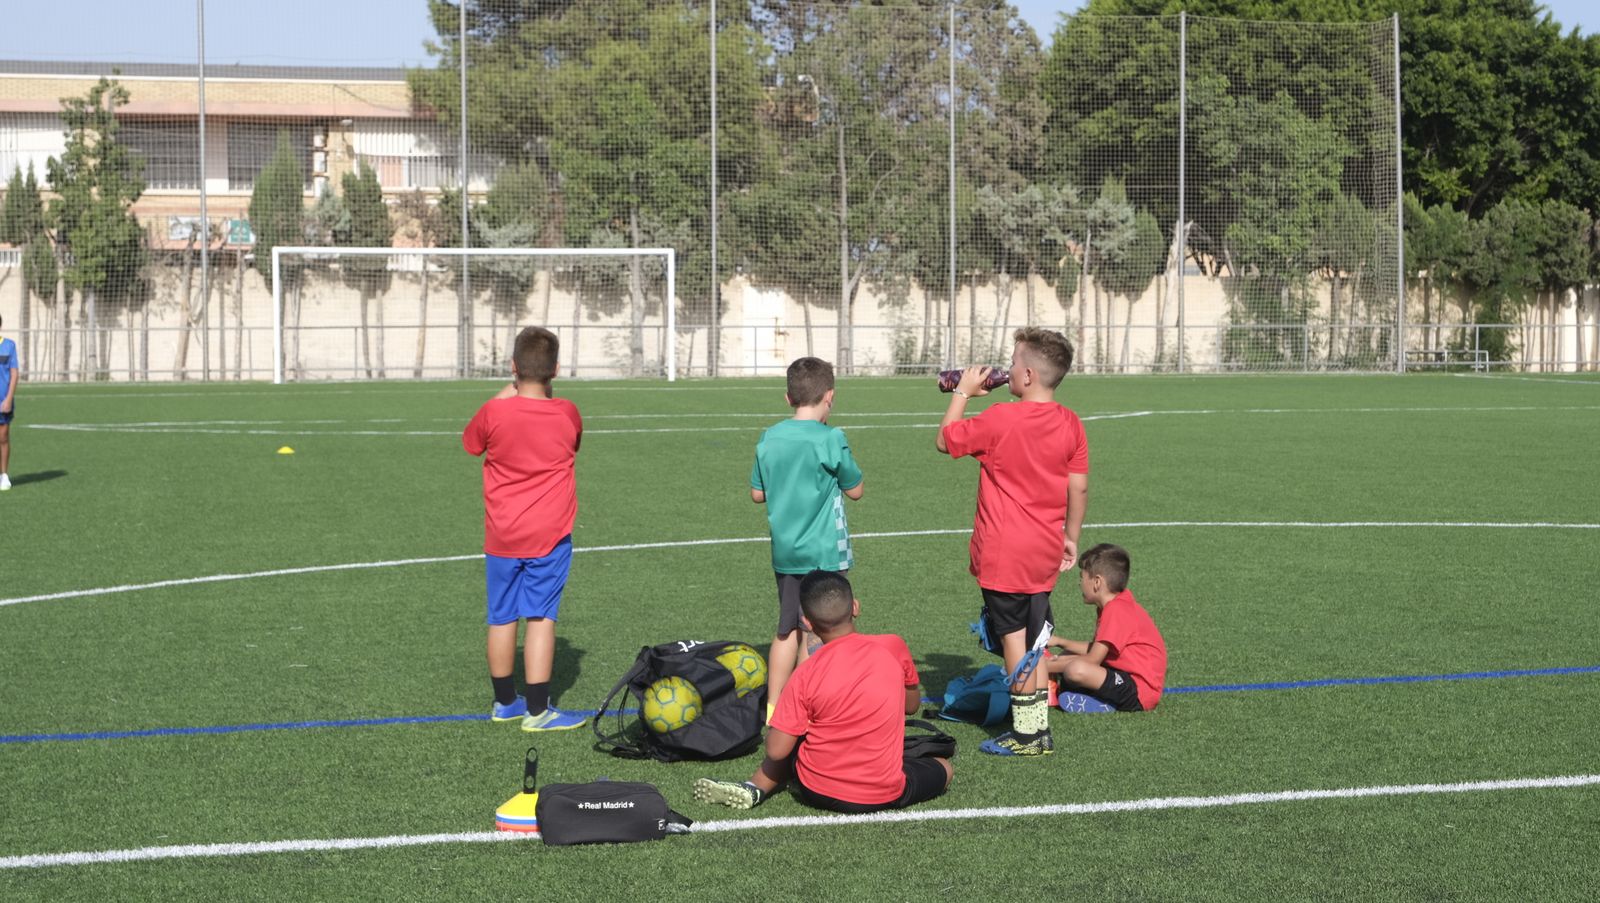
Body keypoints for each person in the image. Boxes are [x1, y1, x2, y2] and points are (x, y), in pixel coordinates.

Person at [936, 327, 1089, 757]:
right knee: (1036, 641)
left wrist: (962, 393)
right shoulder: (1071, 422)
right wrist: (1071, 537)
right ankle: (1038, 728)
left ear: (1026, 375)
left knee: (1014, 643)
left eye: (1012, 361)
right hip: (1044, 550)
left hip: (1004, 554)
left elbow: (945, 440)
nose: (1007, 368)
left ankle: (1025, 735)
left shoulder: (1001, 418)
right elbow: (1078, 487)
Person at [693, 570, 952, 812]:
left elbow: (776, 751)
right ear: (855, 607)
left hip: (817, 791)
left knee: (793, 733)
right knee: (944, 768)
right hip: (883, 793)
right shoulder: (892, 646)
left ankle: (756, 785)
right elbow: (910, 706)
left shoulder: (804, 673)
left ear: (807, 622)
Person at [462, 325, 585, 732]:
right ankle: (537, 710)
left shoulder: (494, 412)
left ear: (513, 367)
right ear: (556, 370)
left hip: (501, 533)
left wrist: (509, 389)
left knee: (501, 617)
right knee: (541, 618)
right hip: (549, 534)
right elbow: (574, 442)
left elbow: (471, 443)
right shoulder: (566, 412)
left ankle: (504, 702)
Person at [750, 357, 864, 722]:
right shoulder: (831, 438)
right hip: (825, 552)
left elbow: (757, 494)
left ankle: (774, 707)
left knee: (787, 629)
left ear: (788, 398)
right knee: (817, 631)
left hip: (786, 552)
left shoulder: (769, 437)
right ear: (830, 396)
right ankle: (807, 709)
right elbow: (856, 489)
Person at [1046, 543, 1167, 713]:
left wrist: (1045, 667)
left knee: (1076, 670)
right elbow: (1098, 649)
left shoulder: (1116, 610)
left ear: (1097, 582)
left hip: (1139, 690)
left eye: (1082, 577)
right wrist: (1060, 642)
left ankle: (1104, 704)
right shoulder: (1116, 604)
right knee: (1068, 656)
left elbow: (1093, 659)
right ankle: (1089, 696)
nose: (1079, 583)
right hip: (1123, 675)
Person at [0, 314, 16, 491]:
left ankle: (4, 475)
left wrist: (9, 399)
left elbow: (14, 373)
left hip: (2, 401)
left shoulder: (9, 346)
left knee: (3, 437)